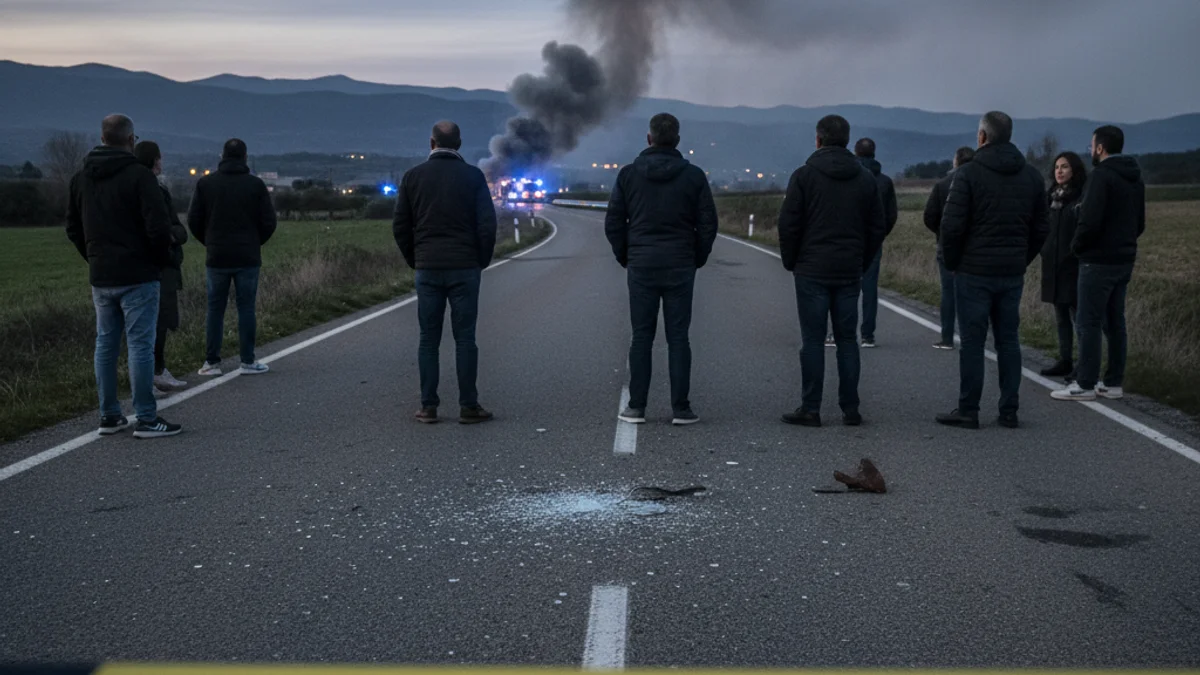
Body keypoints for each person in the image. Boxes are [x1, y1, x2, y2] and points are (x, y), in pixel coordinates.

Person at [65, 114, 183, 438]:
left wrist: (92, 257)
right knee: (140, 346)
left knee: (105, 344)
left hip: (101, 275)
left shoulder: (80, 178)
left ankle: (109, 415)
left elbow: (73, 228)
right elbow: (158, 228)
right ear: (131, 140)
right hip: (139, 273)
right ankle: (146, 417)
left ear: (103, 139)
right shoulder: (140, 177)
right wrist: (160, 260)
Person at [936, 111, 1049, 429]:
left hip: (973, 271)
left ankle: (969, 409)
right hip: (1011, 270)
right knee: (1009, 340)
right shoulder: (1031, 177)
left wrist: (953, 262)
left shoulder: (968, 175)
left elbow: (952, 226)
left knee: (972, 341)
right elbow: (1041, 228)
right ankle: (1009, 410)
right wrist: (1021, 258)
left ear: (983, 137)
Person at [605, 113, 718, 426]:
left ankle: (637, 407)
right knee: (678, 337)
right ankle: (681, 408)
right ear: (677, 140)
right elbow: (708, 222)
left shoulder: (628, 175)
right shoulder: (694, 176)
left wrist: (625, 255)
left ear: (649, 138)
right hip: (680, 263)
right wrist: (698, 255)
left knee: (642, 336)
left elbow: (614, 221)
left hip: (641, 264)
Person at [778, 115, 886, 427]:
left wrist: (792, 260)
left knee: (812, 340)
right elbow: (876, 226)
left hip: (811, 268)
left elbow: (788, 223)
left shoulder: (804, 176)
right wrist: (862, 260)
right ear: (847, 141)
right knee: (848, 339)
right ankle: (850, 407)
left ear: (818, 139)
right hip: (849, 269)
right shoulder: (865, 179)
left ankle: (811, 407)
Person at [393, 121, 497, 424]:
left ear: (431, 143)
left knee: (428, 339)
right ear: (460, 144)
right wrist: (481, 260)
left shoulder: (413, 177)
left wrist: (415, 259)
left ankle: (428, 406)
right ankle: (469, 406)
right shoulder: (473, 176)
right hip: (464, 267)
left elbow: (400, 225)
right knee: (465, 338)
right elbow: (487, 225)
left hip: (427, 267)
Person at [1051, 125, 1145, 402]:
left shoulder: (1100, 177)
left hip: (1096, 260)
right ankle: (1113, 382)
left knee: (1088, 321)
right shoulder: (1135, 179)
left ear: (1100, 147)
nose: (1091, 150)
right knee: (1115, 321)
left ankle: (1086, 383)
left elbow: (1089, 219)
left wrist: (1077, 246)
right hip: (1124, 258)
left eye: (1092, 145)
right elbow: (1139, 222)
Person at [188, 138, 277, 377]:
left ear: (222, 155)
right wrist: (254, 242)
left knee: (215, 309)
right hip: (247, 256)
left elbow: (193, 220)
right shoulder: (255, 185)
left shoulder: (205, 184)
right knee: (246, 308)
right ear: (245, 157)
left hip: (217, 256)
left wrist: (210, 242)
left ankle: (211, 362)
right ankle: (247, 360)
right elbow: (269, 222)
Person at [133, 140, 190, 395]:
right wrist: (169, 241)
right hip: (159, 264)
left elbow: (177, 227)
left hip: (151, 262)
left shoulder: (150, 188)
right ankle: (153, 375)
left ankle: (153, 372)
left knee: (155, 323)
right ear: (155, 160)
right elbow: (168, 227)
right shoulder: (153, 189)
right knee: (156, 322)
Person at [1038, 151, 1088, 378]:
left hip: (1073, 264)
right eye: (1057, 167)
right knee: (1060, 316)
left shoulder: (1080, 199)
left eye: (1065, 167)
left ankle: (1084, 363)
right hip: (1053, 263)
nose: (1059, 171)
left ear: (1074, 171)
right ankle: (1065, 359)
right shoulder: (1050, 198)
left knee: (1079, 317)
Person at [923, 146, 975, 349]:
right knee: (973, 294)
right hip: (973, 248)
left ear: (956, 161)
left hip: (946, 245)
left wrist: (942, 232)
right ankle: (972, 335)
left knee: (948, 293)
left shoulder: (942, 185)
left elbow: (929, 216)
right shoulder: (980, 184)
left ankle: (947, 337)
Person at [852, 137, 898, 349]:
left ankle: (839, 331)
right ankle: (868, 335)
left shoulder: (849, 177)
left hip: (848, 240)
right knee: (870, 288)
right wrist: (880, 234)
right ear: (874, 153)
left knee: (845, 287)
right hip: (874, 240)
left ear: (856, 152)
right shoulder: (885, 182)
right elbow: (891, 215)